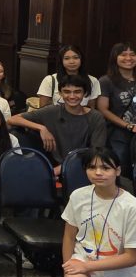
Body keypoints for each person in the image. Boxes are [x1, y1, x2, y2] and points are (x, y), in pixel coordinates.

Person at [50, 147, 136, 277]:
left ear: (117, 171)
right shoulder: (79, 195)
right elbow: (69, 235)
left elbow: (131, 257)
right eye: (92, 167)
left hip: (116, 267)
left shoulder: (130, 206)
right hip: (85, 256)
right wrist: (68, 265)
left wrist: (87, 266)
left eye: (105, 167)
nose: (98, 172)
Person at [9, 74, 107, 177]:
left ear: (85, 93)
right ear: (60, 93)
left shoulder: (96, 117)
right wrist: (42, 128)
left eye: (77, 92)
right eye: (67, 92)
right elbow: (12, 119)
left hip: (82, 167)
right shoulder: (51, 111)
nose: (72, 96)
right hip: (51, 164)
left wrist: (57, 170)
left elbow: (96, 152)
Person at [97, 42, 136, 177]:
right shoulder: (106, 81)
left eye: (132, 54)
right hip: (118, 134)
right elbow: (103, 109)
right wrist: (128, 125)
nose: (128, 58)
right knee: (121, 169)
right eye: (123, 55)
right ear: (115, 57)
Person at [37, 45, 100, 109]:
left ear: (81, 59)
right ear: (61, 61)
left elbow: (91, 108)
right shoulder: (49, 80)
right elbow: (43, 109)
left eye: (76, 58)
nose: (72, 62)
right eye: (67, 58)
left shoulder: (93, 81)